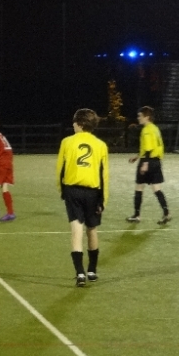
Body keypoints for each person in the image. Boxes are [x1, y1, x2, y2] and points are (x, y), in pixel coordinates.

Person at [56, 108, 109, 286]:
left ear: (79, 124)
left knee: (76, 229)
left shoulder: (67, 142)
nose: (73, 125)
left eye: (74, 123)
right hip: (93, 192)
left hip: (72, 190)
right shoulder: (101, 145)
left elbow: (60, 169)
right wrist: (103, 199)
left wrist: (62, 190)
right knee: (92, 229)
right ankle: (92, 270)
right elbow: (104, 174)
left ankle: (80, 273)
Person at [126, 105, 171, 225]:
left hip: (148, 161)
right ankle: (166, 213)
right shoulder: (155, 128)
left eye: (140, 116)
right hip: (156, 162)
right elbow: (152, 146)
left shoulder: (146, 130)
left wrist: (145, 163)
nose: (138, 118)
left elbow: (149, 148)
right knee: (157, 189)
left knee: (139, 187)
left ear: (147, 117)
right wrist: (137, 156)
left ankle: (136, 215)